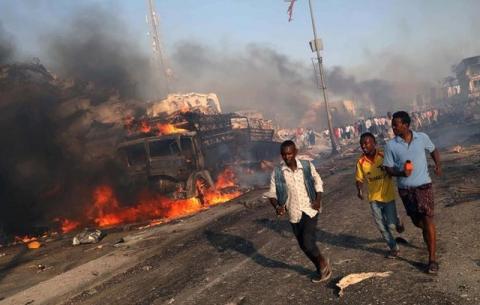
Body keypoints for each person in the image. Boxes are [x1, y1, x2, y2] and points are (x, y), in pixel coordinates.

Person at [383, 111, 441, 274]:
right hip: (406, 190)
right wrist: (401, 173)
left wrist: (438, 165)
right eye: (393, 124)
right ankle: (428, 234)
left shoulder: (422, 137)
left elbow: (433, 150)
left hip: (424, 185)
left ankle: (432, 260)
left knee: (428, 219)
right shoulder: (390, 146)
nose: (393, 127)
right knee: (418, 222)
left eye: (396, 124)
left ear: (406, 125)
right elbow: (388, 168)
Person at [265, 140, 331, 283]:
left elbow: (318, 181)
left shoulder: (306, 166)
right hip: (294, 212)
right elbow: (271, 194)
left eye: (289, 153)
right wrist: (277, 206)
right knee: (303, 245)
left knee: (307, 241)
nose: (287, 157)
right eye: (284, 154)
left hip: (310, 209)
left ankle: (322, 263)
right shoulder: (277, 173)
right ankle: (320, 266)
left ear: (295, 152)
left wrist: (318, 199)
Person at [355, 132, 404, 258]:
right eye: (362, 144)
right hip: (374, 199)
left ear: (374, 143)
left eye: (366, 143)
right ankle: (393, 248)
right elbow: (359, 179)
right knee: (381, 226)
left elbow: (395, 169)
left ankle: (397, 220)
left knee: (391, 226)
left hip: (388, 197)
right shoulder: (361, 162)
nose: (364, 146)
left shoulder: (383, 156)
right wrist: (359, 190)